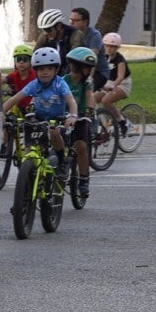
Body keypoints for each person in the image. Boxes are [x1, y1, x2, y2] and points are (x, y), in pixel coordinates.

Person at [3, 46, 80, 190]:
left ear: (56, 70)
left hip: (56, 118)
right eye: (41, 69)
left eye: (49, 69)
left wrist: (73, 115)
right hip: (38, 118)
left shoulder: (59, 83)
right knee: (28, 152)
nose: (45, 72)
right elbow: (14, 99)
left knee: (53, 132)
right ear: (36, 70)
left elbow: (71, 101)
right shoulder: (34, 84)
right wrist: (2, 113)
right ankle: (25, 196)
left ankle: (62, 161)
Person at [61, 46, 99, 199]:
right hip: (64, 116)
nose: (89, 71)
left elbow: (89, 97)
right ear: (78, 66)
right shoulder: (64, 80)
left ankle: (83, 179)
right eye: (87, 68)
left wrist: (89, 110)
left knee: (81, 146)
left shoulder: (87, 83)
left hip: (81, 117)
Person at [0, 44, 38, 162]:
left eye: (25, 59)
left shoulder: (34, 75)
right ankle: (4, 145)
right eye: (18, 59)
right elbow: (3, 80)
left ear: (30, 62)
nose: (21, 62)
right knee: (7, 120)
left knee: (31, 127)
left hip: (32, 107)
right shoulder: (14, 74)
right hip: (18, 105)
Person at [92, 32, 131, 115]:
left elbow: (120, 77)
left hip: (122, 84)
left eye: (112, 47)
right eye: (107, 46)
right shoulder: (103, 57)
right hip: (108, 83)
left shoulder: (120, 60)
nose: (109, 49)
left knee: (106, 101)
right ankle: (102, 122)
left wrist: (113, 86)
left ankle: (120, 120)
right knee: (92, 100)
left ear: (117, 47)